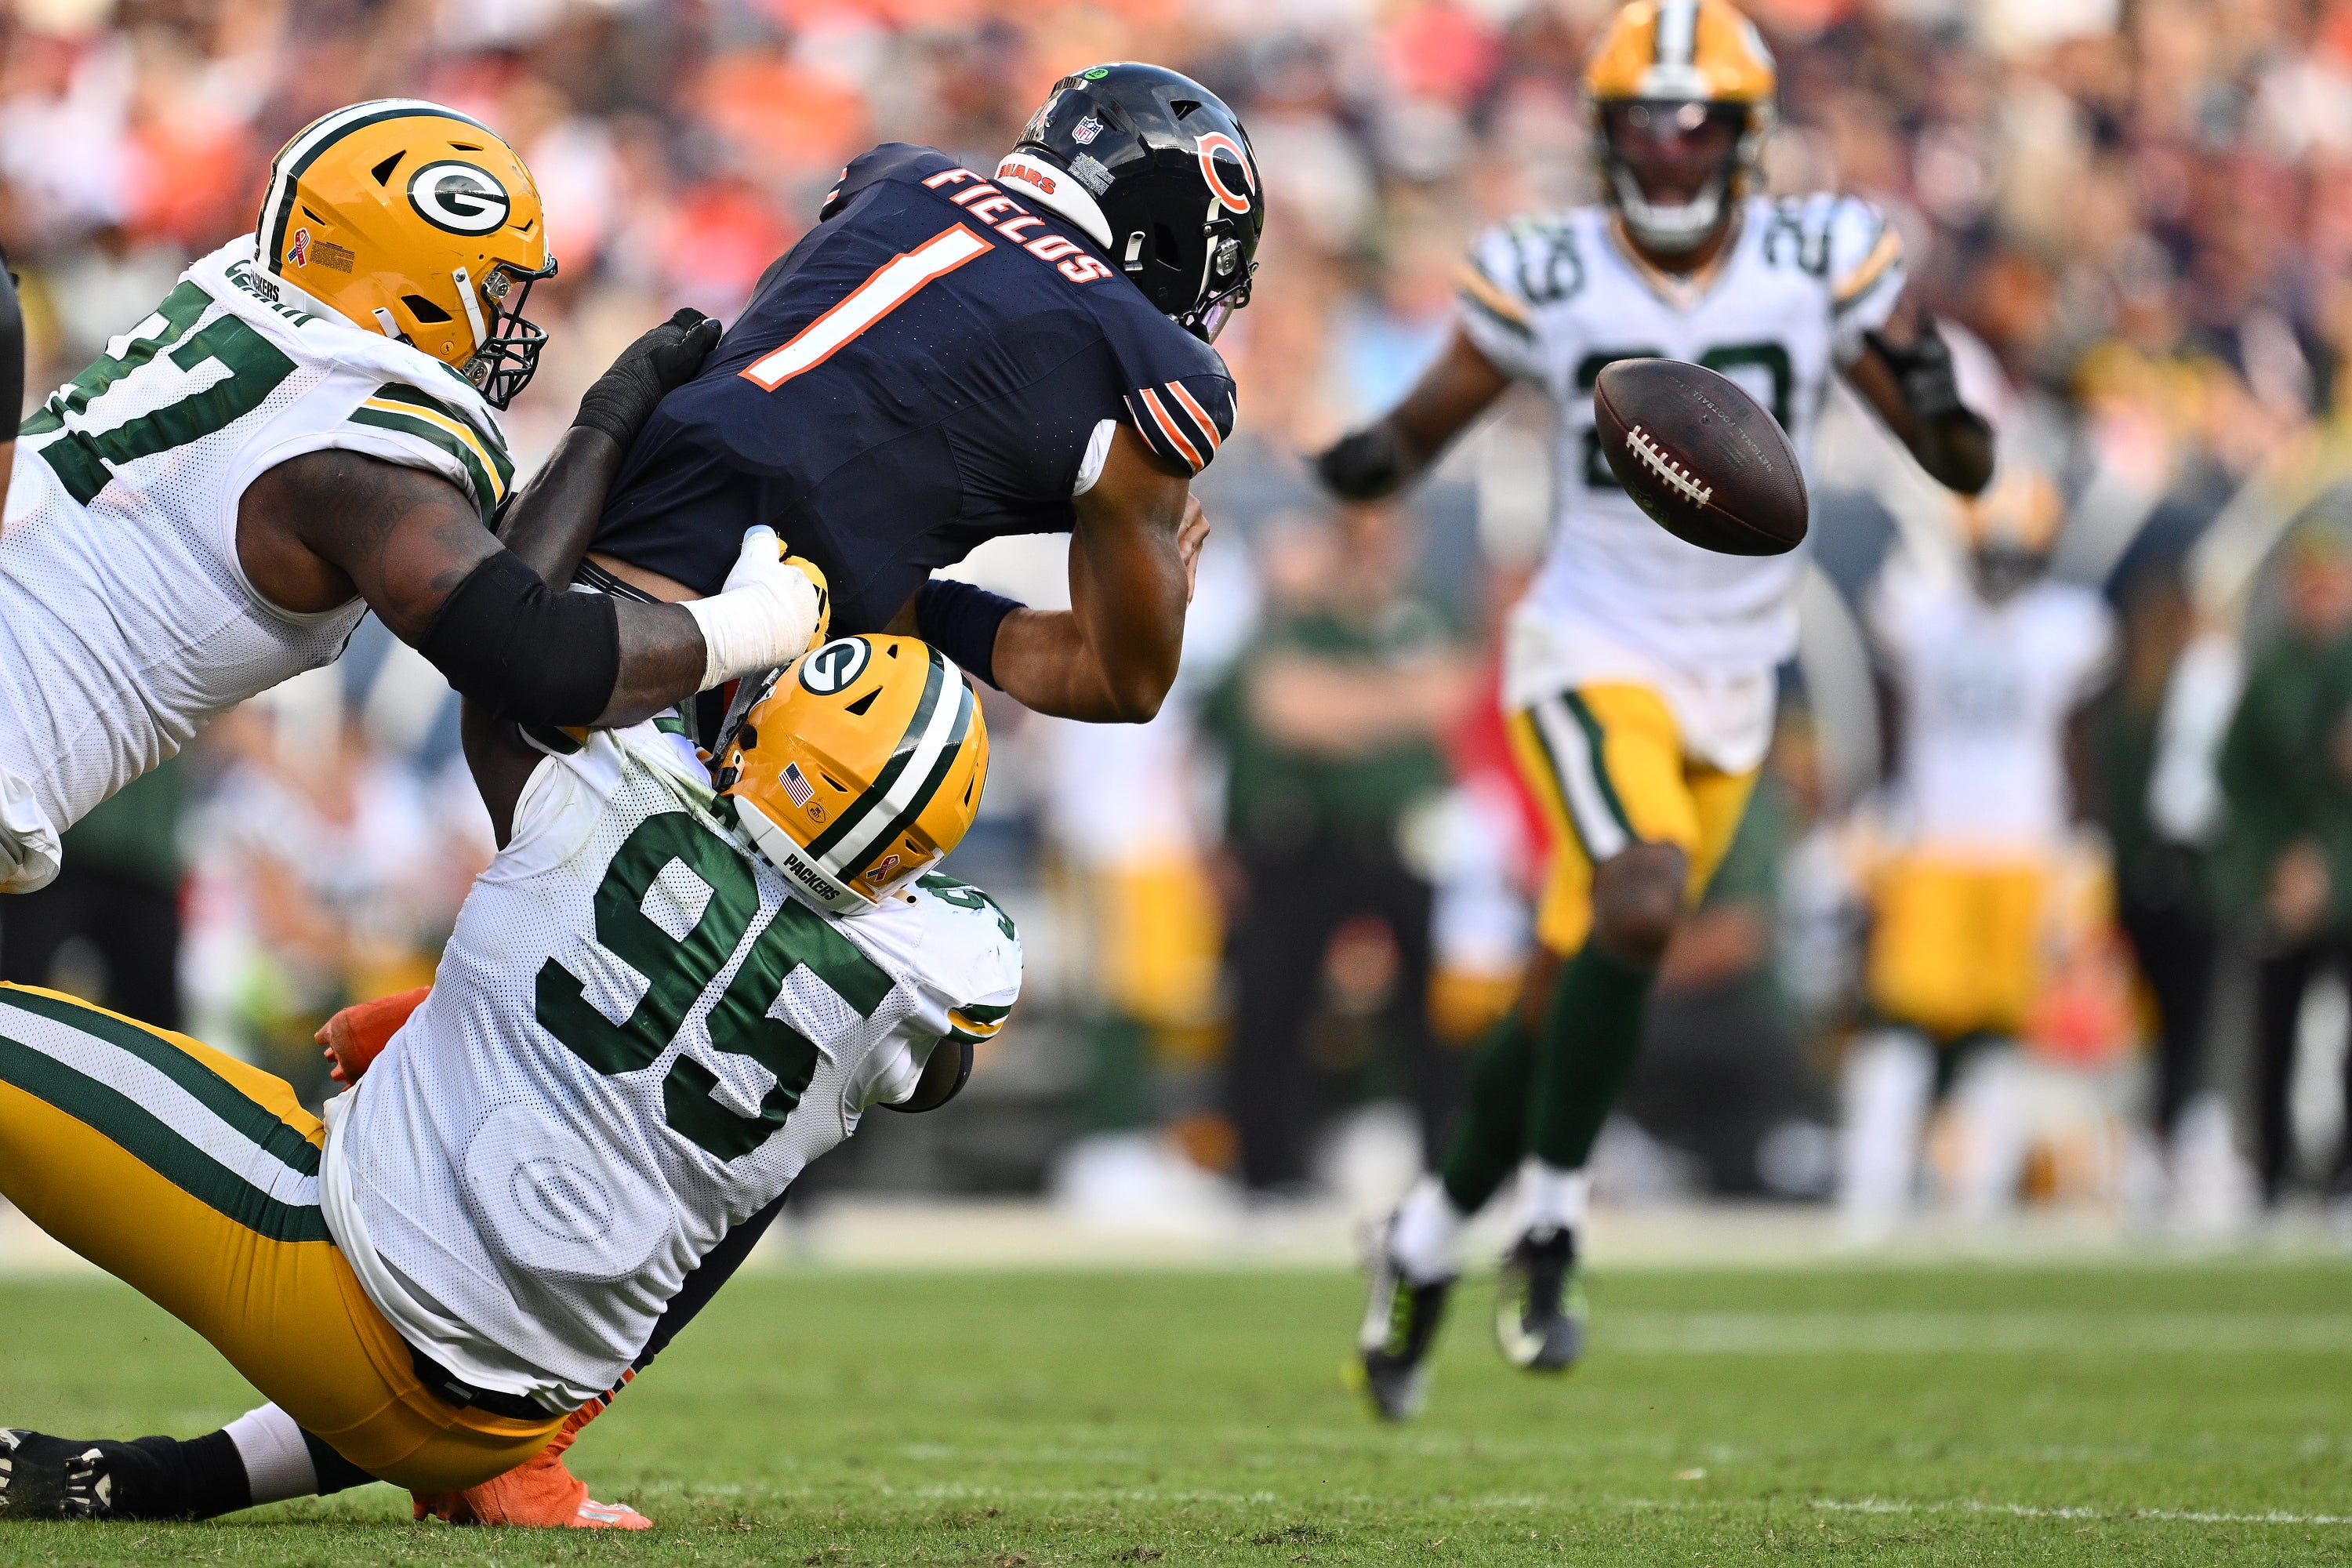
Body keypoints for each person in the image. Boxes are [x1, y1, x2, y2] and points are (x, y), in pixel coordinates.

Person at [1318, 0, 1994, 1417]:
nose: (1673, 151)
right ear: (1604, 133)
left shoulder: (1822, 259)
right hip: (1589, 648)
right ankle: (1554, 1228)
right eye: (1646, 122)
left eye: (1699, 125)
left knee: (1572, 986)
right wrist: (1340, 460)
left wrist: (1940, 395)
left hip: (1735, 680)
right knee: (1640, 899)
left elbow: (1959, 457)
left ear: (1746, 141)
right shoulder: (1550, 269)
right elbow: (1418, 429)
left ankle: (1425, 1240)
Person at [0, 628, 1017, 1525]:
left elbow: (499, 637)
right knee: (762, 1155)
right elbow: (911, 1068)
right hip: (502, 1425)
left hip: (334, 1280)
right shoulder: (927, 979)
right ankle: (178, 1479)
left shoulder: (626, 793)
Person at [0, 98, 823, 897]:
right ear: (428, 283)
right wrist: (759, 622)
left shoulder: (238, 293)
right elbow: (535, 657)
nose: (507, 317)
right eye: (498, 288)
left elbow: (502, 573)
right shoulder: (354, 458)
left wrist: (601, 424)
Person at [585, 62, 1261, 725]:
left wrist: (902, 597)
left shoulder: (893, 181)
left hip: (586, 549)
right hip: (690, 684)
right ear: (1167, 243)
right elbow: (1124, 685)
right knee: (924, 730)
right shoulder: (1139, 361)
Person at [1837, 471, 2115, 1235]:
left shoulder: (2067, 625)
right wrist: (1879, 806)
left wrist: (2082, 841)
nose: (1998, 573)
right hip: (1932, 840)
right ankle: (1873, 1186)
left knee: (1999, 1030)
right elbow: (1888, 715)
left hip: (2025, 843)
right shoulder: (1921, 609)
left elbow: (2078, 745)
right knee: (1900, 1019)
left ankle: (1976, 1199)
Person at [2215, 514, 2352, 1209]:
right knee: (2273, 1033)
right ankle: (2269, 1170)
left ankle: (2341, 1171)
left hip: (2345, 881)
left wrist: (2329, 864)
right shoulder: (2273, 672)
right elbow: (2238, 776)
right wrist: (2282, 862)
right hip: (2288, 879)